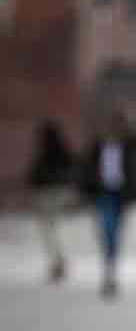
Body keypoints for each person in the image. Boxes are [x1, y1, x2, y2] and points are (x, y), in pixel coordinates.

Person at [81, 110, 136, 298]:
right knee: (106, 230)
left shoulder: (128, 147)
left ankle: (111, 271)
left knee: (115, 232)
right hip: (103, 194)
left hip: (119, 195)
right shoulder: (98, 147)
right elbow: (87, 169)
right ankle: (108, 270)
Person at [26, 118, 74, 283]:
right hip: (54, 192)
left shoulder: (49, 153)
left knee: (49, 229)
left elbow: (37, 174)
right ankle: (58, 262)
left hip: (50, 193)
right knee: (51, 229)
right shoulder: (58, 152)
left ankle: (58, 263)